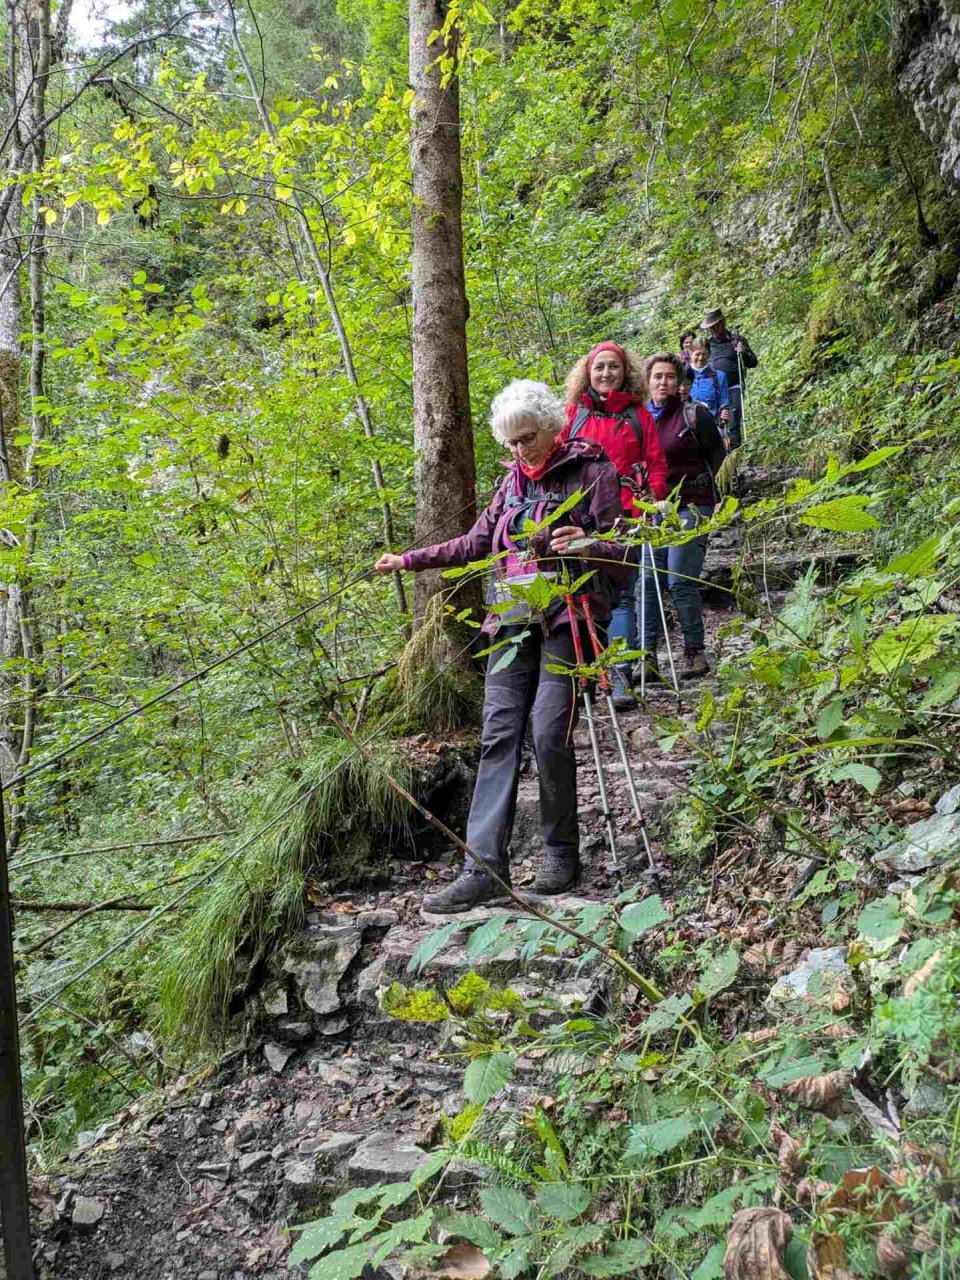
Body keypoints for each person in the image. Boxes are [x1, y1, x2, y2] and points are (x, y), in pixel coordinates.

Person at [376, 379, 631, 912]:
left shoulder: (593, 471)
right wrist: (410, 559)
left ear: (552, 427)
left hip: (568, 614)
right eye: (511, 442)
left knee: (548, 730)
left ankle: (560, 853)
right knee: (498, 734)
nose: (520, 450)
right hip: (511, 620)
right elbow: (473, 544)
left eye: (528, 438)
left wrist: (587, 544)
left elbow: (623, 547)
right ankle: (484, 867)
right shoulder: (510, 485)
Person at [561, 341, 668, 711]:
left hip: (625, 518)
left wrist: (651, 500)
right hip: (579, 519)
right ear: (587, 373)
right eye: (599, 367)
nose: (606, 374)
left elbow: (654, 463)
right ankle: (589, 672)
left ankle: (620, 674)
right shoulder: (572, 414)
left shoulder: (639, 415)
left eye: (613, 367)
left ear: (625, 373)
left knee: (621, 595)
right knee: (583, 594)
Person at [640, 353, 727, 681]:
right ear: (647, 382)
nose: (663, 382)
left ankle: (694, 652)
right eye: (657, 377)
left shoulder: (695, 416)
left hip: (693, 504)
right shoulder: (640, 420)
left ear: (680, 383)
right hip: (654, 509)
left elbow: (718, 457)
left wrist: (723, 499)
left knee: (679, 580)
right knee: (648, 581)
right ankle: (645, 656)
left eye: (670, 377)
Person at [701, 308, 757, 449]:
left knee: (733, 417)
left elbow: (753, 362)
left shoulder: (736, 340)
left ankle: (735, 451)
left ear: (722, 323)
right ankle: (720, 452)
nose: (713, 329)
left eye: (715, 325)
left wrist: (743, 352)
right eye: (710, 327)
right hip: (713, 387)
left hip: (733, 385)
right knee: (715, 420)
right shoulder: (707, 344)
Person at [688, 339, 732, 438]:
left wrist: (725, 412)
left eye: (704, 354)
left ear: (709, 355)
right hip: (688, 429)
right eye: (697, 354)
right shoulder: (683, 376)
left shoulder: (719, 376)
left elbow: (724, 401)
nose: (700, 358)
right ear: (690, 354)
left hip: (712, 427)